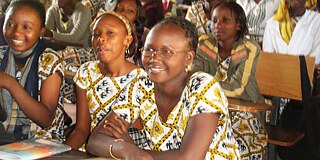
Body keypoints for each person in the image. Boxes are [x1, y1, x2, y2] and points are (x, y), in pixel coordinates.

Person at [86, 17, 240, 159]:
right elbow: (95, 140)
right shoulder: (142, 86)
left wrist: (136, 150)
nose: (154, 58)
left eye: (166, 52)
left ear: (189, 58)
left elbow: (187, 158)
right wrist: (125, 149)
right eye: (149, 50)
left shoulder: (203, 87)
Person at [193, 1, 267, 159]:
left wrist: (206, 88)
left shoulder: (249, 48)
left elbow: (237, 88)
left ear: (238, 25)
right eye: (214, 20)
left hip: (244, 114)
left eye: (225, 20)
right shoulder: (204, 44)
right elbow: (194, 77)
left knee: (231, 148)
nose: (218, 25)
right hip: (211, 111)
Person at [64, 11, 147, 150]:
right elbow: (81, 130)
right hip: (91, 147)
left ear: (127, 40)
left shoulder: (139, 79)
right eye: (96, 34)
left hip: (124, 149)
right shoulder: (86, 72)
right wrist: (59, 154)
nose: (101, 38)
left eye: (110, 33)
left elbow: (133, 133)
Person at [0, 0, 65, 142]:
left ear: (41, 31)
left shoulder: (49, 61)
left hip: (41, 141)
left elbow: (45, 119)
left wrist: (10, 83)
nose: (16, 31)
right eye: (10, 24)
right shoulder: (1, 56)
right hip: (5, 136)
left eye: (26, 27)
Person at [114, 0, 146, 67]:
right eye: (120, 8)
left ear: (136, 17)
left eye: (130, 11)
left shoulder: (146, 35)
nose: (123, 13)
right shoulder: (105, 31)